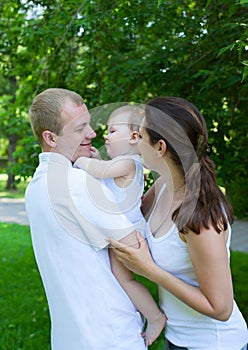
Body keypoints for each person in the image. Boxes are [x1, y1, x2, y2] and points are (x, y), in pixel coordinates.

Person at [109, 96, 248, 350]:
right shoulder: (163, 185)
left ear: (160, 147)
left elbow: (221, 308)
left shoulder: (202, 215)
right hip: (176, 340)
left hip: (214, 344)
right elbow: (126, 214)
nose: (136, 144)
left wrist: (150, 270)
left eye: (140, 137)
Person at [25, 88, 151, 350]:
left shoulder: (35, 187)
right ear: (51, 137)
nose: (92, 133)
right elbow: (137, 250)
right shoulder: (77, 182)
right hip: (110, 335)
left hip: (70, 336)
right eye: (80, 127)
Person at [74, 105, 166, 346]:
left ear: (134, 137)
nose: (106, 135)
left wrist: (82, 160)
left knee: (125, 280)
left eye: (112, 131)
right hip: (123, 230)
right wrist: (95, 159)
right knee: (120, 279)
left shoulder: (130, 163)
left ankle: (155, 317)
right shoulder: (124, 164)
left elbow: (102, 171)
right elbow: (105, 176)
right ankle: (143, 315)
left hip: (128, 232)